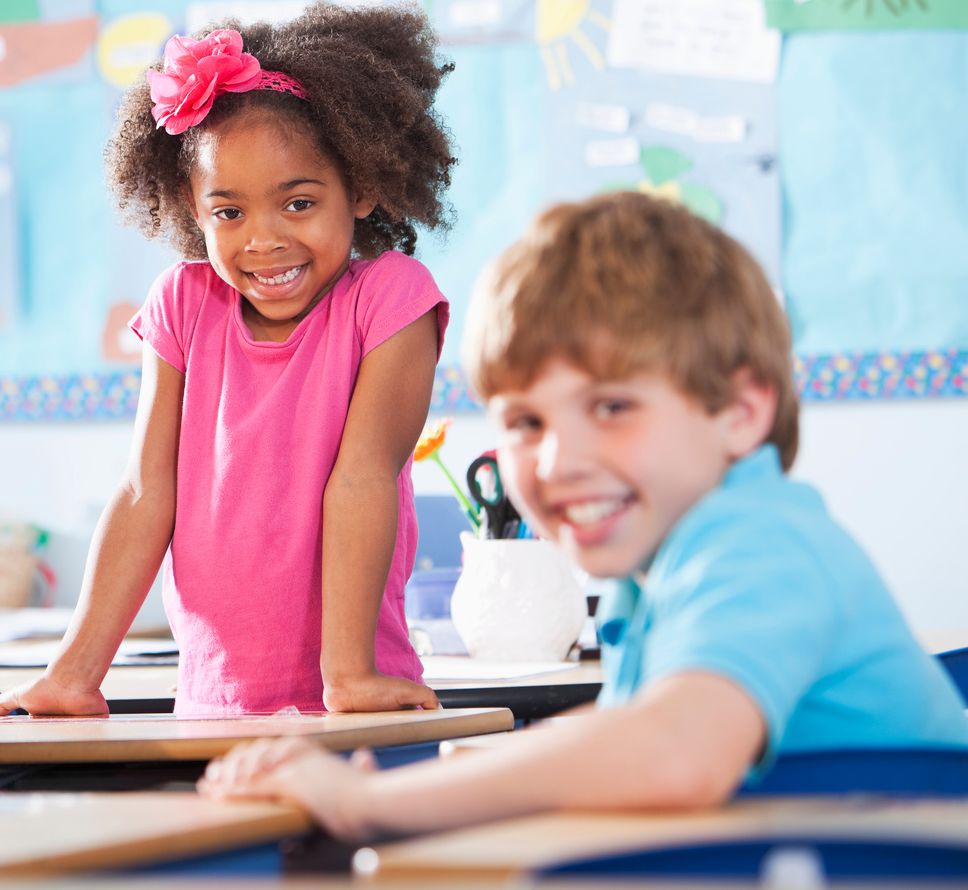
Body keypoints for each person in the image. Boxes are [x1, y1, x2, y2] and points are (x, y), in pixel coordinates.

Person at [199, 193, 968, 837]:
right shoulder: (667, 570)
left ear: (738, 412)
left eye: (611, 406)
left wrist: (363, 802)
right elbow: (638, 739)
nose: (557, 460)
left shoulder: (757, 545)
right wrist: (468, 773)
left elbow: (673, 753)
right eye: (525, 423)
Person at [0, 3, 458, 717]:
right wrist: (73, 675)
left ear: (360, 187)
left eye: (297, 203)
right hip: (211, 710)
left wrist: (347, 677)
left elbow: (362, 478)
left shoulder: (391, 299)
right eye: (229, 213)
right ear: (192, 207)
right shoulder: (183, 302)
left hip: (354, 709)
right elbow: (145, 492)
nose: (263, 241)